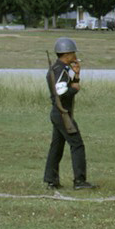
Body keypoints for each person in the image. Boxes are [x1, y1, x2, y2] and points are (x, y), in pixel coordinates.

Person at [45, 36, 94, 190]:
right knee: (77, 145)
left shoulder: (59, 69)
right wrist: (75, 88)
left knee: (57, 147)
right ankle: (79, 181)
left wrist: (76, 75)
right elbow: (62, 92)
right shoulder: (60, 70)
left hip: (58, 113)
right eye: (73, 52)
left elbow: (68, 84)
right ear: (66, 54)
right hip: (63, 114)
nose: (75, 55)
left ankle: (51, 180)